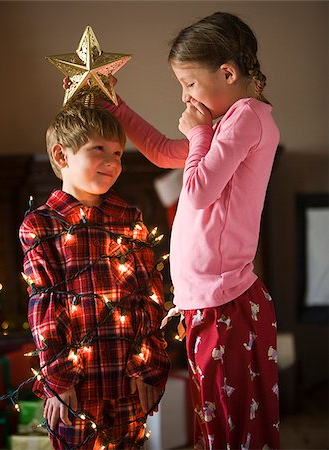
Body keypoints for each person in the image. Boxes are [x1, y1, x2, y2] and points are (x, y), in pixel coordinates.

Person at [67, 11, 280, 450]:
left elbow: (199, 191)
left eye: (189, 84)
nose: (185, 97)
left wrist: (200, 132)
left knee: (231, 422)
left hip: (225, 301)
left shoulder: (246, 118)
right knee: (215, 418)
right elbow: (165, 152)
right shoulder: (228, 123)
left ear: (227, 72)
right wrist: (114, 106)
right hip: (207, 299)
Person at [19, 103, 170, 450]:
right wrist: (59, 378)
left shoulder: (128, 217)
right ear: (61, 155)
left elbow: (148, 293)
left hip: (128, 379)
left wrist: (147, 366)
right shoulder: (41, 225)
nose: (112, 162)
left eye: (118, 152)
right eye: (98, 150)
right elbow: (43, 306)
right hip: (77, 388)